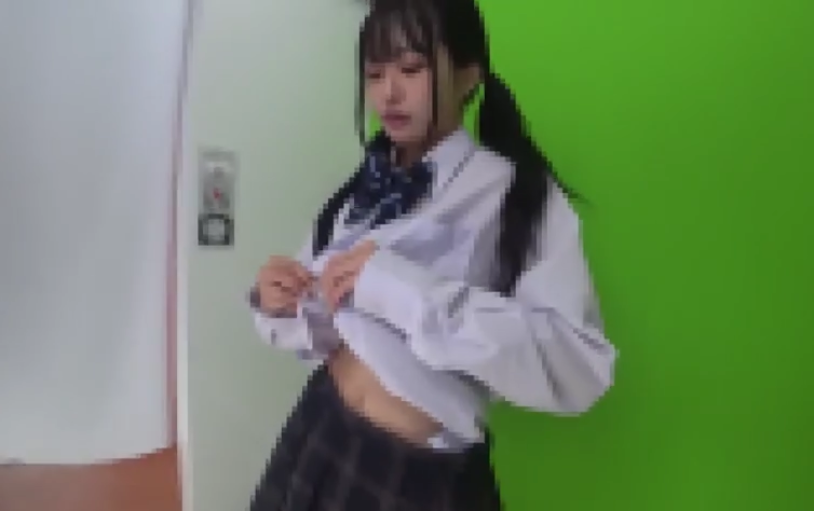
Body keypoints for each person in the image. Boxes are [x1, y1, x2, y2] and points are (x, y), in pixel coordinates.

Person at [247, 0, 617, 509]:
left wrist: (403, 291)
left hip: (413, 478)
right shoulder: (359, 191)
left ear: (468, 75)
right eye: (374, 74)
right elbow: (325, 329)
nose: (388, 93)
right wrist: (280, 303)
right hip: (316, 429)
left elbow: (578, 366)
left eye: (411, 68)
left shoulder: (515, 193)